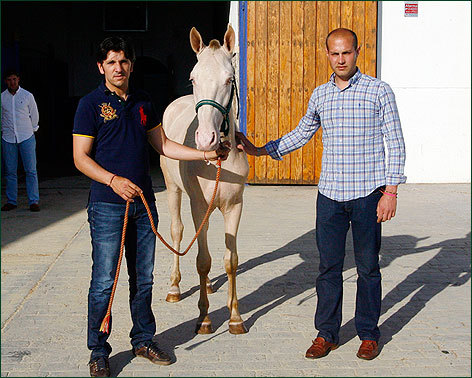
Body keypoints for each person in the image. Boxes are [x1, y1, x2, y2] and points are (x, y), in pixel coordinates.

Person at [236, 28, 406, 361]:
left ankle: (369, 333)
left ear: (358, 52)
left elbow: (395, 142)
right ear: (326, 54)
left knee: (368, 267)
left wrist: (392, 191)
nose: (341, 59)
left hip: (368, 195)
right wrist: (259, 150)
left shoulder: (379, 91)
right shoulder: (320, 95)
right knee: (328, 268)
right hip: (329, 196)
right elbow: (301, 134)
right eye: (334, 53)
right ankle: (326, 333)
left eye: (346, 52)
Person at [72, 36, 229, 377]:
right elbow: (80, 158)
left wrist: (206, 154)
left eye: (124, 61)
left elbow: (165, 145)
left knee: (143, 280)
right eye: (111, 62)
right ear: (101, 67)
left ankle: (143, 339)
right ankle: (98, 350)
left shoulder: (144, 102)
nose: (118, 68)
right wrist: (112, 180)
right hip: (107, 207)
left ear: (131, 65)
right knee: (104, 281)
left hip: (143, 206)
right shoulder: (89, 105)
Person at [1, 70, 40, 212]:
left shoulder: (27, 96)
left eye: (14, 79)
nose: (12, 82)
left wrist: (33, 129)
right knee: (10, 171)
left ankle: (33, 201)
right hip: (8, 137)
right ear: (6, 81)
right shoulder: (2, 98)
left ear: (18, 79)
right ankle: (12, 201)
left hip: (26, 136)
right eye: (9, 80)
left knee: (31, 170)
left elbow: (34, 115)